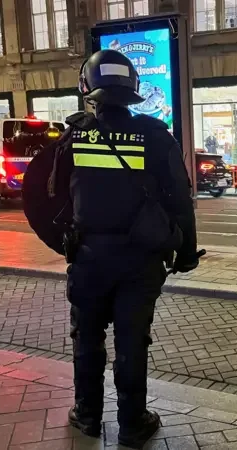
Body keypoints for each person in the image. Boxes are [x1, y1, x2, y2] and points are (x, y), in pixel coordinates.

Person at [49, 49, 199, 449]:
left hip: (88, 259)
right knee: (132, 341)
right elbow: (180, 199)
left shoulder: (73, 135)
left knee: (86, 337)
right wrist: (185, 252)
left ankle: (87, 415)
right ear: (133, 87)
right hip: (141, 260)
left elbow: (50, 198)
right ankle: (133, 423)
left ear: (87, 88)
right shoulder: (154, 133)